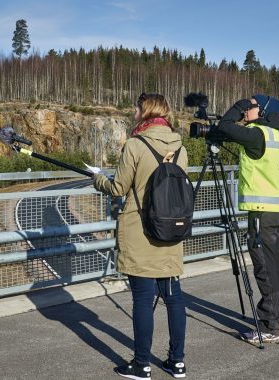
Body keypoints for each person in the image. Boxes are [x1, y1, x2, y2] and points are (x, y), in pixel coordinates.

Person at [93, 93, 188, 379]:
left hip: (142, 231)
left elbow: (118, 188)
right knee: (173, 297)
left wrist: (98, 178)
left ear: (144, 111)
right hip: (171, 229)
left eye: (136, 108)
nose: (133, 112)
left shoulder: (136, 144)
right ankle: (177, 362)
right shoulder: (181, 146)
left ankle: (142, 364)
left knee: (144, 300)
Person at [212, 94, 279, 344]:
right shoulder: (278, 138)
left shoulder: (258, 135)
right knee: (274, 264)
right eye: (246, 107)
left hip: (260, 211)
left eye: (251, 106)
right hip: (276, 211)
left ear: (264, 112)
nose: (247, 111)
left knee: (263, 266)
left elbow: (224, 127)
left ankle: (269, 326)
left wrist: (236, 108)